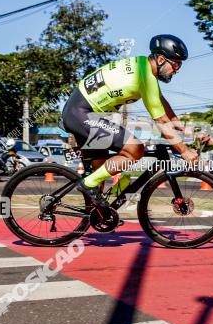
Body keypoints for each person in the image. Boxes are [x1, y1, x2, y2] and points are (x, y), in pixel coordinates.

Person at [61, 34, 198, 205]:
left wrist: (181, 127)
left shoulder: (143, 66)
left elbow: (162, 103)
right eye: (176, 64)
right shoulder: (145, 76)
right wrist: (184, 150)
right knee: (135, 149)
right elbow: (161, 120)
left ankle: (93, 216)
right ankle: (87, 184)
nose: (177, 69)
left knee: (100, 171)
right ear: (161, 59)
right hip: (82, 113)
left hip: (81, 112)